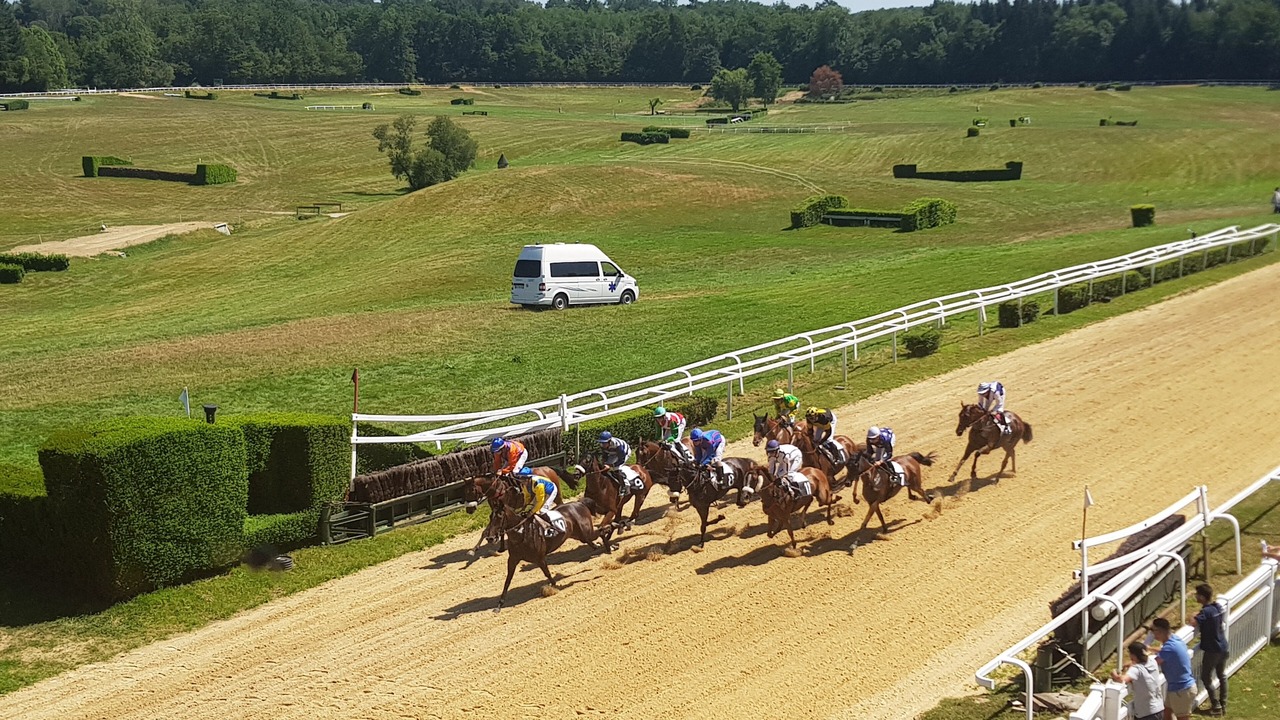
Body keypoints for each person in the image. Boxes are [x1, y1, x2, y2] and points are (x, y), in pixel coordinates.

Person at [1189, 583, 1229, 716]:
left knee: (1205, 677)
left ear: (1202, 596)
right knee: (1221, 675)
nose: (1196, 597)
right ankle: (1223, 704)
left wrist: (1193, 616)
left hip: (1212, 650)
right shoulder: (1217, 607)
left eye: (1197, 595)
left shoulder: (1205, 612)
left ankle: (1216, 706)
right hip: (1223, 646)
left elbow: (1193, 622)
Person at [1151, 617, 1197, 720]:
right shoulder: (1175, 640)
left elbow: (1152, 664)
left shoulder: (1169, 648)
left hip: (1181, 691)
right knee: (1167, 715)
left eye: (1153, 631)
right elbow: (1164, 651)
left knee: (1182, 718)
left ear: (1159, 631)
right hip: (1177, 689)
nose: (1152, 634)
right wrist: (1150, 649)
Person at [1110, 641, 1165, 720]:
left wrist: (1113, 673)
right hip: (1159, 708)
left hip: (1147, 713)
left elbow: (1121, 679)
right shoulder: (1152, 662)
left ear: (1133, 655)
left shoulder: (1136, 670)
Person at [516, 472, 561, 537]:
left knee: (542, 510)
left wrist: (532, 512)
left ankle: (552, 528)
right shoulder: (523, 484)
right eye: (521, 479)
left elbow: (540, 501)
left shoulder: (538, 484)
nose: (522, 482)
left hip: (550, 490)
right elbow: (527, 497)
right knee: (531, 507)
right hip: (539, 492)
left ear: (529, 479)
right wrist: (525, 508)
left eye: (524, 480)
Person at [597, 431, 633, 497]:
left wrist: (611, 465)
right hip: (613, 453)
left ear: (609, 441)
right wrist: (604, 462)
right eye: (602, 442)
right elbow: (605, 454)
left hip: (624, 453)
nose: (603, 444)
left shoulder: (618, 445)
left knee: (617, 468)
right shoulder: (602, 445)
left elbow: (621, 459)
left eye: (604, 443)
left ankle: (624, 486)